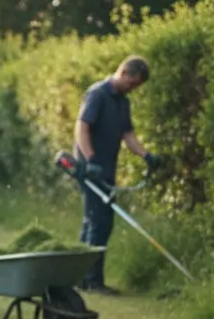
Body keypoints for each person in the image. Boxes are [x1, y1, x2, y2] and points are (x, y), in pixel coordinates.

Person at [72, 55, 162, 295]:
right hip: (90, 169)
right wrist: (90, 159)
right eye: (132, 84)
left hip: (106, 169)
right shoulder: (98, 94)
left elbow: (128, 135)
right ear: (123, 73)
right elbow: (81, 127)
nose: (133, 89)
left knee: (94, 221)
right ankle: (92, 282)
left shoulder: (122, 102)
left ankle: (79, 277)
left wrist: (146, 155)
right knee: (99, 222)